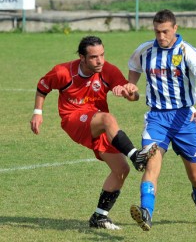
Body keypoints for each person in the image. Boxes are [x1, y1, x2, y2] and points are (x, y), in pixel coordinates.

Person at [30, 36, 157, 230]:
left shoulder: (108, 70)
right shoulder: (63, 72)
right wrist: (37, 113)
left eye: (102, 55)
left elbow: (132, 96)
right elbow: (42, 88)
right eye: (93, 57)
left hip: (98, 123)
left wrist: (129, 91)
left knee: (121, 170)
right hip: (74, 119)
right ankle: (136, 156)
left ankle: (99, 217)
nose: (100, 61)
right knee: (108, 118)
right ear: (82, 57)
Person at [127, 9, 196, 231]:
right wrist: (131, 87)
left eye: (165, 31)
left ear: (175, 28)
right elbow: (133, 68)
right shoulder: (145, 50)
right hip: (157, 118)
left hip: (185, 118)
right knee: (151, 165)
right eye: (157, 31)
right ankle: (146, 213)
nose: (161, 36)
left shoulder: (187, 52)